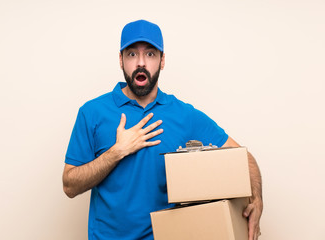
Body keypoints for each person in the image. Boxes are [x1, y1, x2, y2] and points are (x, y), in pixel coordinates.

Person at [63, 19, 263, 240]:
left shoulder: (184, 115)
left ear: (162, 60)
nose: (141, 63)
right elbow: (70, 185)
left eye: (150, 54)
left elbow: (244, 158)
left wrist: (257, 200)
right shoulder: (92, 112)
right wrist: (117, 151)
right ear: (120, 60)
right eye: (131, 54)